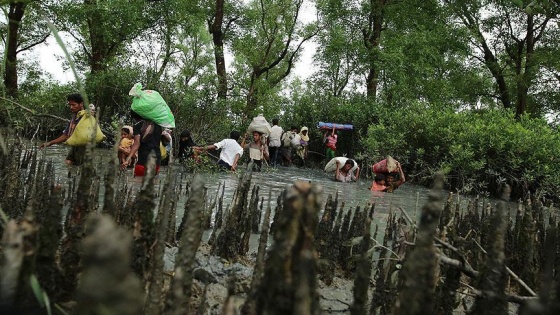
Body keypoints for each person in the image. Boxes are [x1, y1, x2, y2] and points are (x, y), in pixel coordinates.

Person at [39, 93, 87, 166]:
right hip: (75, 147)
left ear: (81, 104)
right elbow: (66, 135)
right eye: (70, 105)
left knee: (82, 167)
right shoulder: (74, 118)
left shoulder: (86, 117)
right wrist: (49, 143)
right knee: (68, 162)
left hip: (83, 148)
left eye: (73, 105)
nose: (71, 107)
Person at [120, 109, 163, 176]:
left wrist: (128, 158)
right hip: (156, 160)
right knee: (152, 183)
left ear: (134, 117)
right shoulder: (158, 125)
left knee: (138, 184)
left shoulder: (138, 125)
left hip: (143, 160)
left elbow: (137, 143)